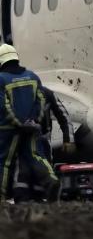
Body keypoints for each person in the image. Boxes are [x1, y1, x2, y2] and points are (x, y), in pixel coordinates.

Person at [0, 44, 57, 201]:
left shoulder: (1, 79)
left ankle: (2, 197)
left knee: (3, 162)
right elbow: (40, 101)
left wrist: (18, 123)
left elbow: (4, 106)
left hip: (8, 129)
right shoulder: (32, 77)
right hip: (31, 127)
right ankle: (51, 180)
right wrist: (34, 121)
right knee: (35, 156)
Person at [14, 86, 74, 201]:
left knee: (25, 171)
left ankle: (31, 196)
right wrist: (68, 140)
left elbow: (63, 116)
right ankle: (42, 190)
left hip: (33, 138)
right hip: (33, 138)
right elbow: (64, 116)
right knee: (31, 169)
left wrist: (68, 139)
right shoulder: (46, 92)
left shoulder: (46, 93)